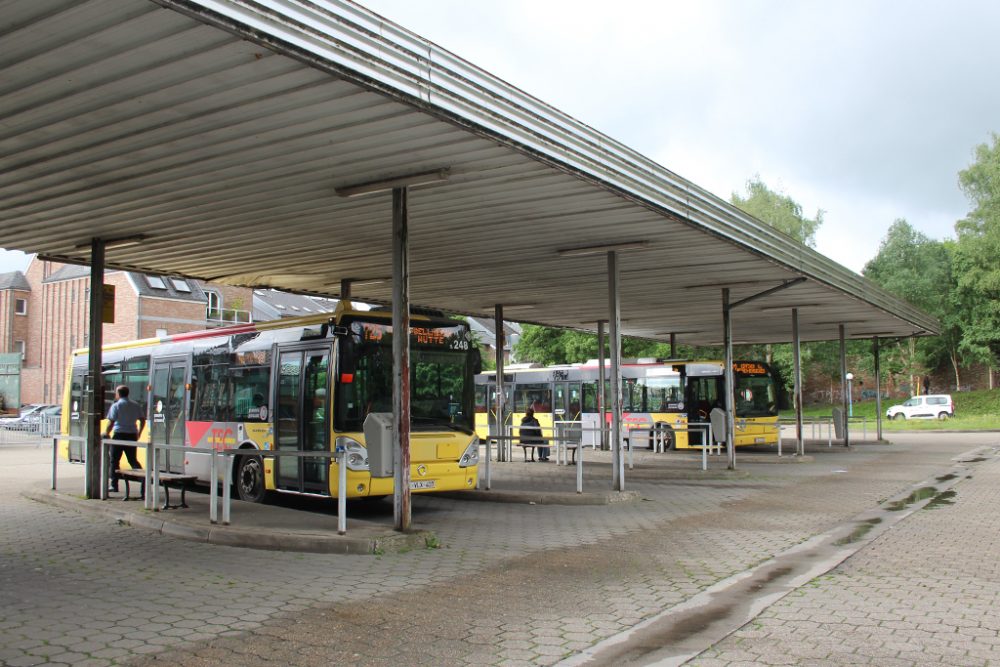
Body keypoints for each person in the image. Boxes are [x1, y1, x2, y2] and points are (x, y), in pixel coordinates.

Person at [104, 385, 146, 492]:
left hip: (119, 435)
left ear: (118, 394)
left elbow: (111, 422)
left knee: (114, 461)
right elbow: (142, 420)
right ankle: (144, 481)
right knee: (133, 460)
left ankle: (114, 485)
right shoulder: (135, 405)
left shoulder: (116, 405)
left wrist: (106, 433)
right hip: (132, 435)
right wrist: (139, 433)